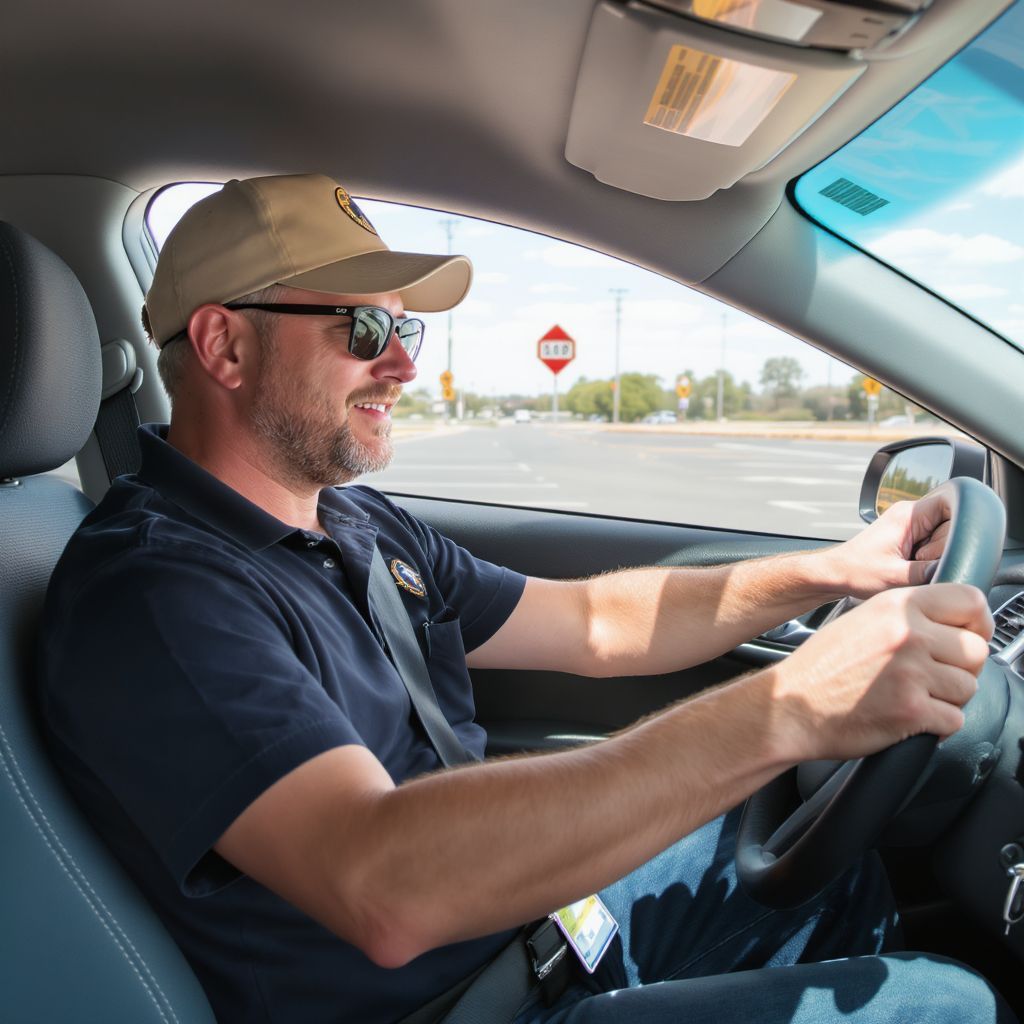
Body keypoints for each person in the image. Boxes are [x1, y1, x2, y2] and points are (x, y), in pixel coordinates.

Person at [40, 173, 1013, 1024]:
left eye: (405, 328)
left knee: (813, 856)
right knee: (949, 1006)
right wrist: (790, 707)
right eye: (364, 328)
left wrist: (838, 568)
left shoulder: (356, 524)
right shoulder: (157, 593)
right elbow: (384, 884)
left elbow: (596, 624)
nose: (404, 364)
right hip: (443, 1004)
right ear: (224, 345)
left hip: (527, 935)